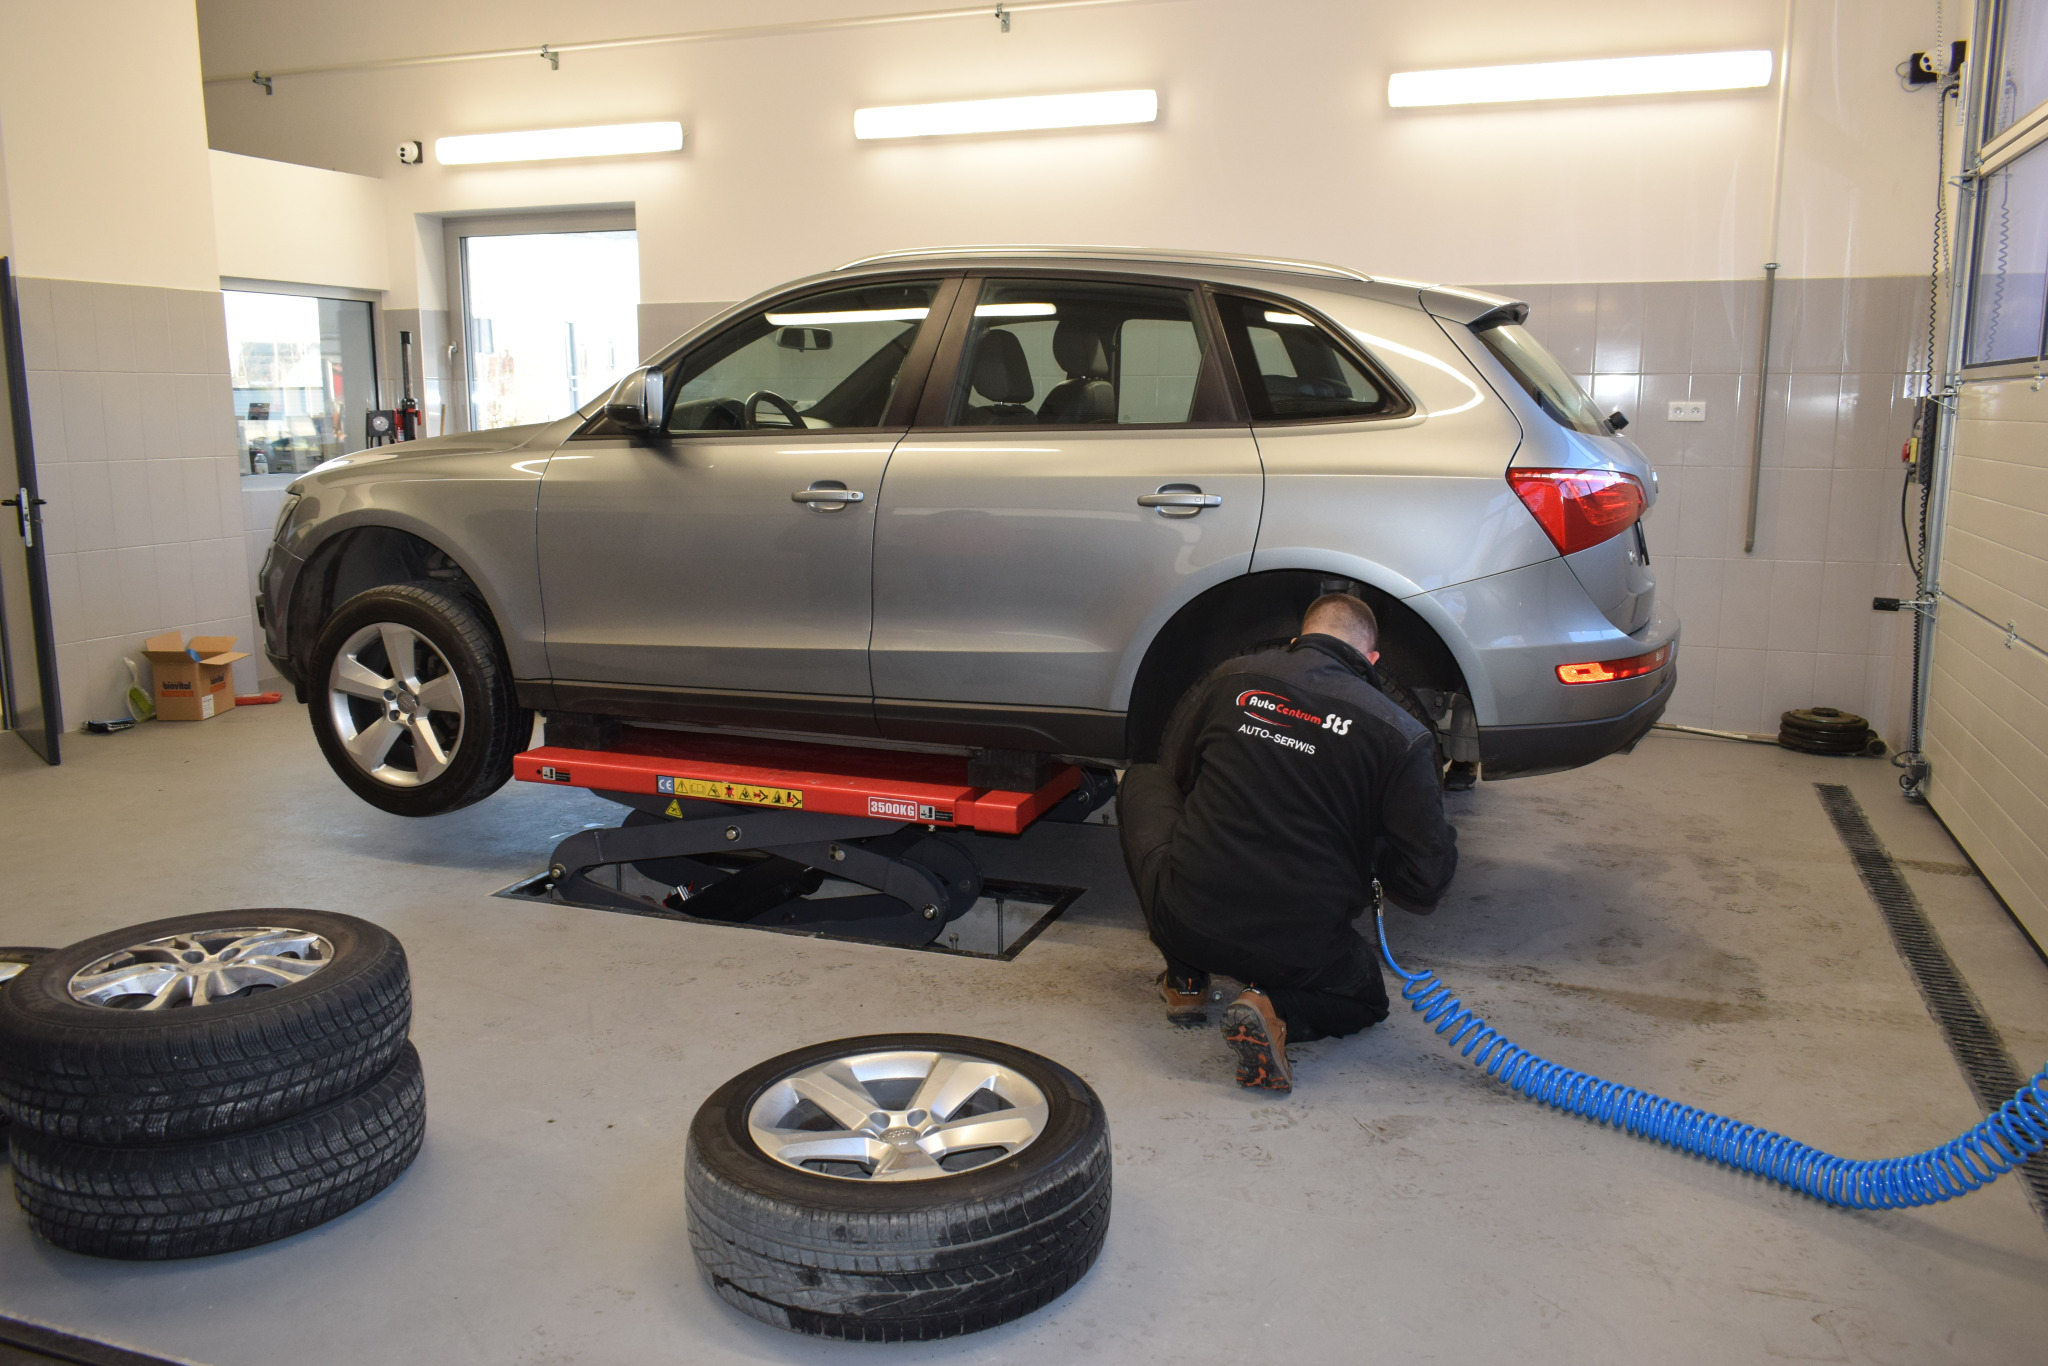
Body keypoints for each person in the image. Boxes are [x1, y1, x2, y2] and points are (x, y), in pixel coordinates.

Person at [1117, 593, 1458, 1091]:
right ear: (1373, 661)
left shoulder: (1231, 678)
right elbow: (1426, 882)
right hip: (1300, 952)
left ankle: (1186, 978)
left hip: (1189, 918)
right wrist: (1375, 843)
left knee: (1145, 780)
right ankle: (1273, 1009)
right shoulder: (1400, 735)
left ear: (1299, 639)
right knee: (1364, 1001)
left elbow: (1182, 778)